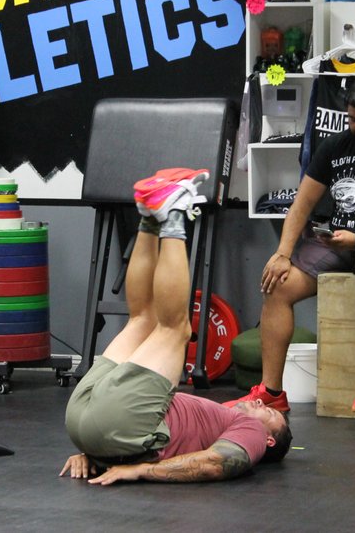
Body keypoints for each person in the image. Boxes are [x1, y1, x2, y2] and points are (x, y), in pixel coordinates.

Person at [60, 168, 292, 485]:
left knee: (177, 329)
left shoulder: (251, 432)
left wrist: (140, 469)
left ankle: (172, 213)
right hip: (90, 422)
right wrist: (96, 450)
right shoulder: (219, 417)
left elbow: (217, 463)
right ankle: (148, 217)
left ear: (268, 439)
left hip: (115, 422)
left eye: (272, 414)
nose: (260, 403)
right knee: (142, 318)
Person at [225, 75, 355, 415]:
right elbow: (302, 205)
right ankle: (271, 391)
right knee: (277, 283)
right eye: (353, 120)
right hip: (340, 240)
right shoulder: (335, 146)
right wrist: (282, 254)